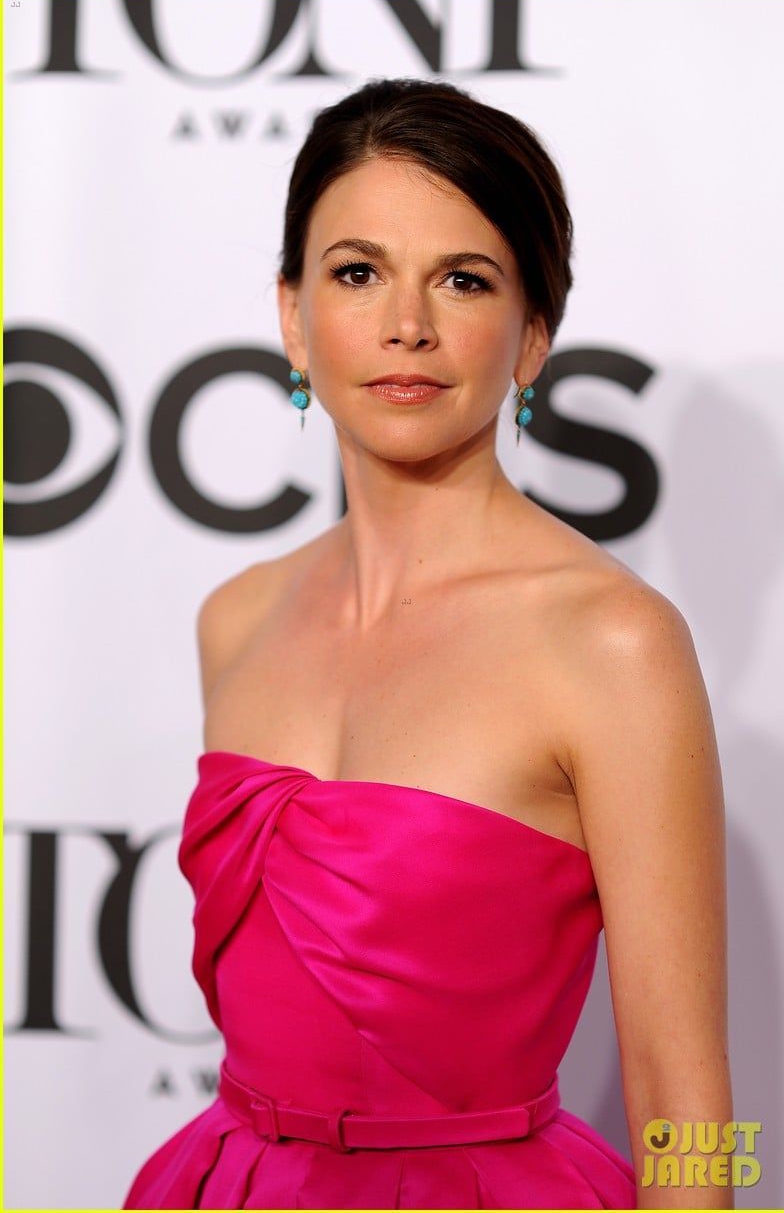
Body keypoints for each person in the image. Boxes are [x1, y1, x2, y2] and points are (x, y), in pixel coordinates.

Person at [123, 77, 732, 1210]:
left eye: (464, 279)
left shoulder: (613, 642)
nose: (407, 323)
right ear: (294, 316)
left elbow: (686, 1099)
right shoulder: (237, 617)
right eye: (358, 273)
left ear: (532, 337)